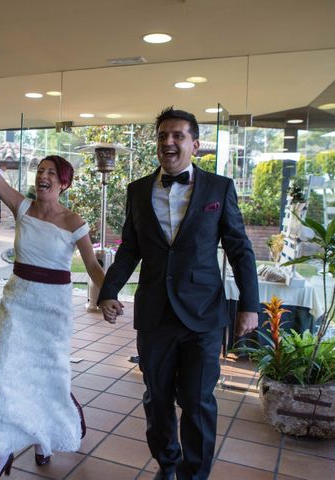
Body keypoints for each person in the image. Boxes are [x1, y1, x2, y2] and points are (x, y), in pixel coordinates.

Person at [98, 107, 259, 480]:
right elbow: (129, 249)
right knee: (157, 401)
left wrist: (250, 306)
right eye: (162, 136)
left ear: (195, 144)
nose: (168, 143)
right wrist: (108, 290)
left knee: (198, 402)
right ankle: (167, 465)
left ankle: (193, 475)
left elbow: (240, 249)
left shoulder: (219, 188)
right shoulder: (137, 190)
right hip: (155, 315)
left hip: (203, 315)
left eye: (177, 136)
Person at [0, 109, 105, 480]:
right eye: (41, 171)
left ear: (64, 183)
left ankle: (42, 439)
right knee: (5, 374)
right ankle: (1, 456)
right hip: (18, 304)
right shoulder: (21, 208)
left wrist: (107, 296)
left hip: (52, 311)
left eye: (52, 173)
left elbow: (94, 267)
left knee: (48, 378)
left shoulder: (75, 223)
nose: (43, 176)